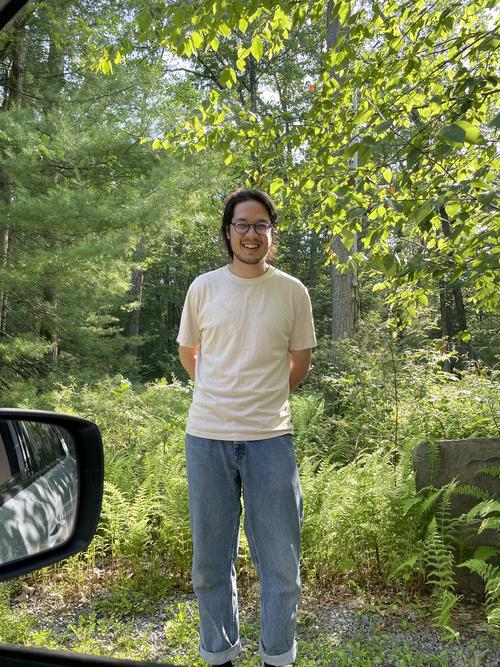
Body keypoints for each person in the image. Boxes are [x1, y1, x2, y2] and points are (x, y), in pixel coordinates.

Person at [177, 189, 316, 667]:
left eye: (261, 225)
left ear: (272, 233)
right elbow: (190, 354)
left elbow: (300, 362)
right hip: (206, 438)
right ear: (228, 231)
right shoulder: (203, 288)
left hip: (271, 440)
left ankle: (278, 657)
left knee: (281, 565)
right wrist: (220, 392)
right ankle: (220, 656)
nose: (251, 234)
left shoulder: (293, 292)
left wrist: (265, 398)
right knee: (210, 564)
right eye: (242, 224)